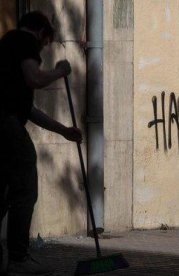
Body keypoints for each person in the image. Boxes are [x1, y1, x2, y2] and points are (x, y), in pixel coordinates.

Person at [0, 11, 82, 275]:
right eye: (46, 42)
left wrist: (64, 131)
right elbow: (34, 78)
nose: (45, 48)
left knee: (1, 193)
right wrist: (59, 72)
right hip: (6, 125)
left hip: (4, 124)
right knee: (25, 188)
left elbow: (29, 110)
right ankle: (19, 258)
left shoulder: (7, 46)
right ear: (41, 33)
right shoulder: (24, 42)